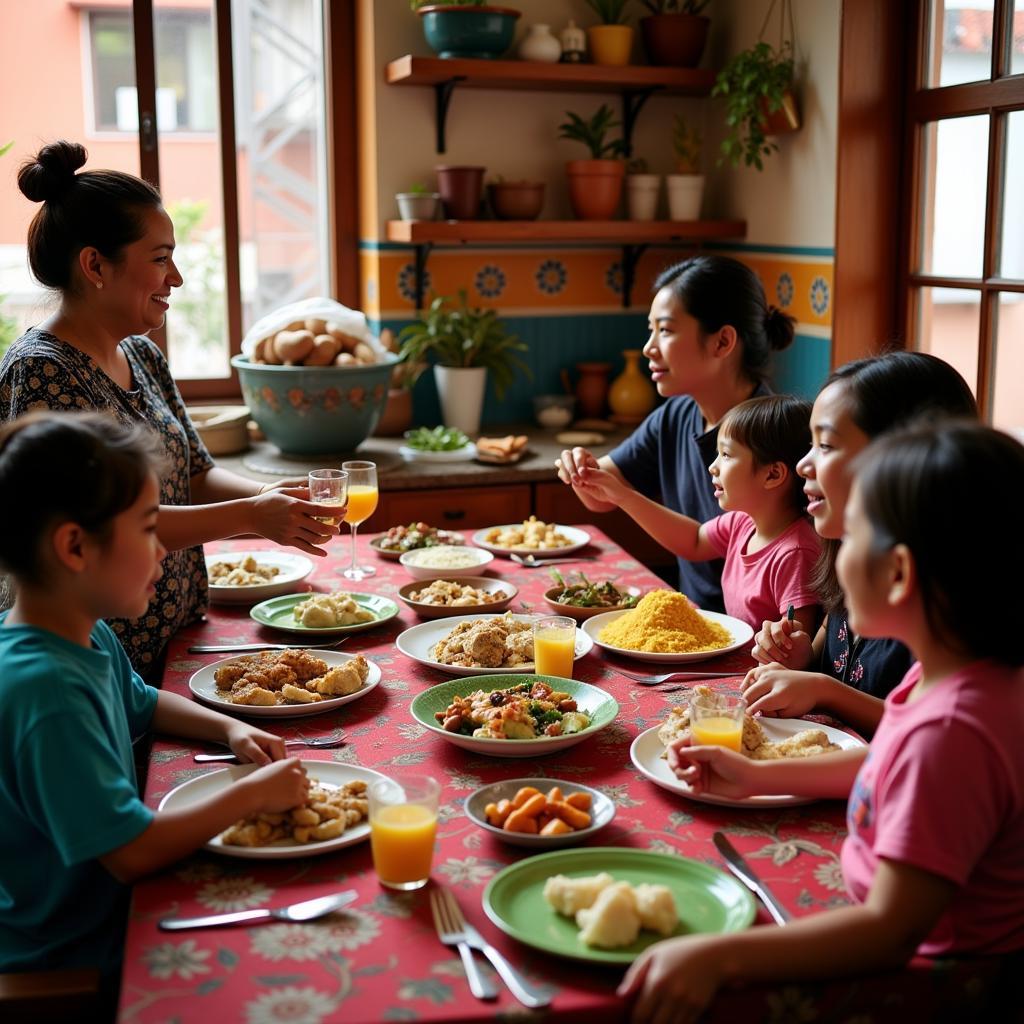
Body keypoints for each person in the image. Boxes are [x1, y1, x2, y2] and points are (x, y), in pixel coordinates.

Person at [620, 421, 1024, 1024]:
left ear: (898, 573)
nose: (830, 547)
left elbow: (889, 931)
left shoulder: (952, 732)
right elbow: (885, 765)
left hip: (937, 983)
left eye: (852, 533)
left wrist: (720, 959)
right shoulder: (958, 673)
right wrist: (755, 774)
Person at [0, 411, 310, 999]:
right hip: (75, 948)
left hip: (105, 913)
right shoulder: (48, 693)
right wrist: (249, 793)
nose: (164, 551)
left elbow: (141, 701)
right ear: (73, 547)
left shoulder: (81, 633)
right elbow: (130, 852)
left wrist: (229, 729)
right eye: (148, 529)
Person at [0, 141, 336, 673]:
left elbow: (196, 473)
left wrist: (273, 497)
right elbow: (100, 525)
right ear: (95, 265)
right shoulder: (43, 371)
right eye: (160, 259)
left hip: (171, 642)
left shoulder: (140, 352)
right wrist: (251, 515)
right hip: (91, 663)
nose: (175, 277)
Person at [741, 351, 977, 732]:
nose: (803, 464)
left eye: (827, 446)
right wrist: (799, 657)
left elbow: (936, 727)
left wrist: (824, 691)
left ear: (900, 457)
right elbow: (828, 649)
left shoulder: (949, 601)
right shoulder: (851, 551)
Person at [556, 255, 795, 612]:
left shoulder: (772, 435)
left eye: (665, 330)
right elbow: (601, 498)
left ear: (722, 342)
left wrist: (618, 493)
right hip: (693, 620)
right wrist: (581, 471)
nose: (649, 347)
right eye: (651, 330)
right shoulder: (675, 415)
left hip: (752, 637)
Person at [571, 394, 821, 633]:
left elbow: (797, 649)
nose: (713, 467)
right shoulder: (742, 524)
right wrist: (622, 496)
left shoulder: (795, 553)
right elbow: (693, 541)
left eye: (726, 455)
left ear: (773, 474)